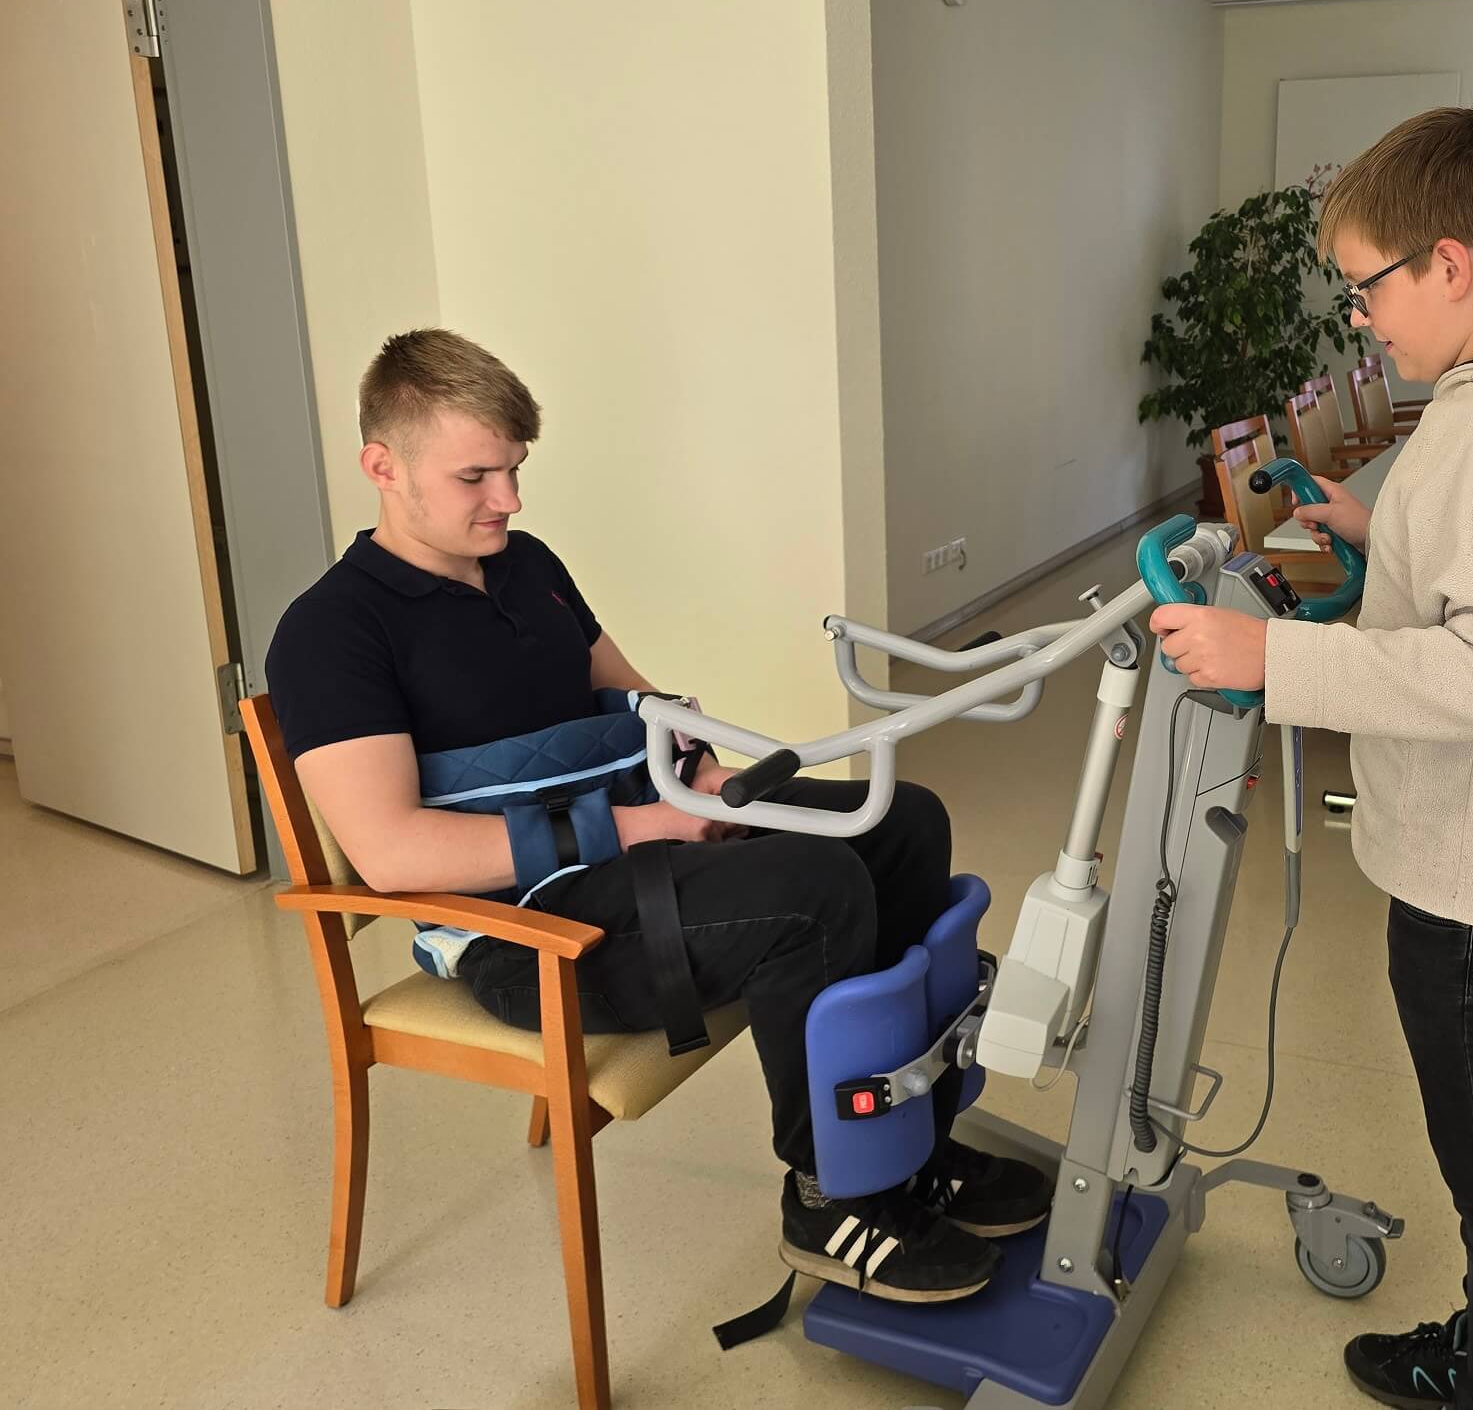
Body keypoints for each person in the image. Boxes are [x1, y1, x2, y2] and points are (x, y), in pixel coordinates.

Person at [265, 329, 1050, 1308]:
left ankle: (906, 1144)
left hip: (634, 851)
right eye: (476, 477)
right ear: (381, 467)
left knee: (896, 823)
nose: (509, 500)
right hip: (530, 933)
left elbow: (635, 701)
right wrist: (641, 828)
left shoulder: (525, 563)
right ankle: (832, 1195)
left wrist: (698, 770)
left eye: (515, 470)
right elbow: (391, 855)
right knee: (814, 891)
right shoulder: (331, 632)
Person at [1151, 107, 1473, 1410]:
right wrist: (1376, 532)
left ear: (1449, 264)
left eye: (1368, 286)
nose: (1361, 318)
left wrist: (1271, 660)